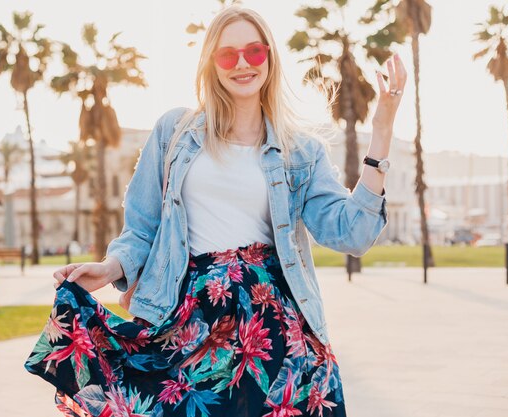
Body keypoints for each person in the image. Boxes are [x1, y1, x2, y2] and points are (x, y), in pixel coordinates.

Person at [24, 5, 406, 417]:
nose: (242, 63)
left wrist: (381, 131)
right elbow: (143, 227)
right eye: (228, 55)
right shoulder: (175, 132)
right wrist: (111, 267)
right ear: (212, 63)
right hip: (192, 321)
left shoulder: (301, 151)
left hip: (277, 329)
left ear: (269, 58)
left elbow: (351, 234)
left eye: (254, 52)